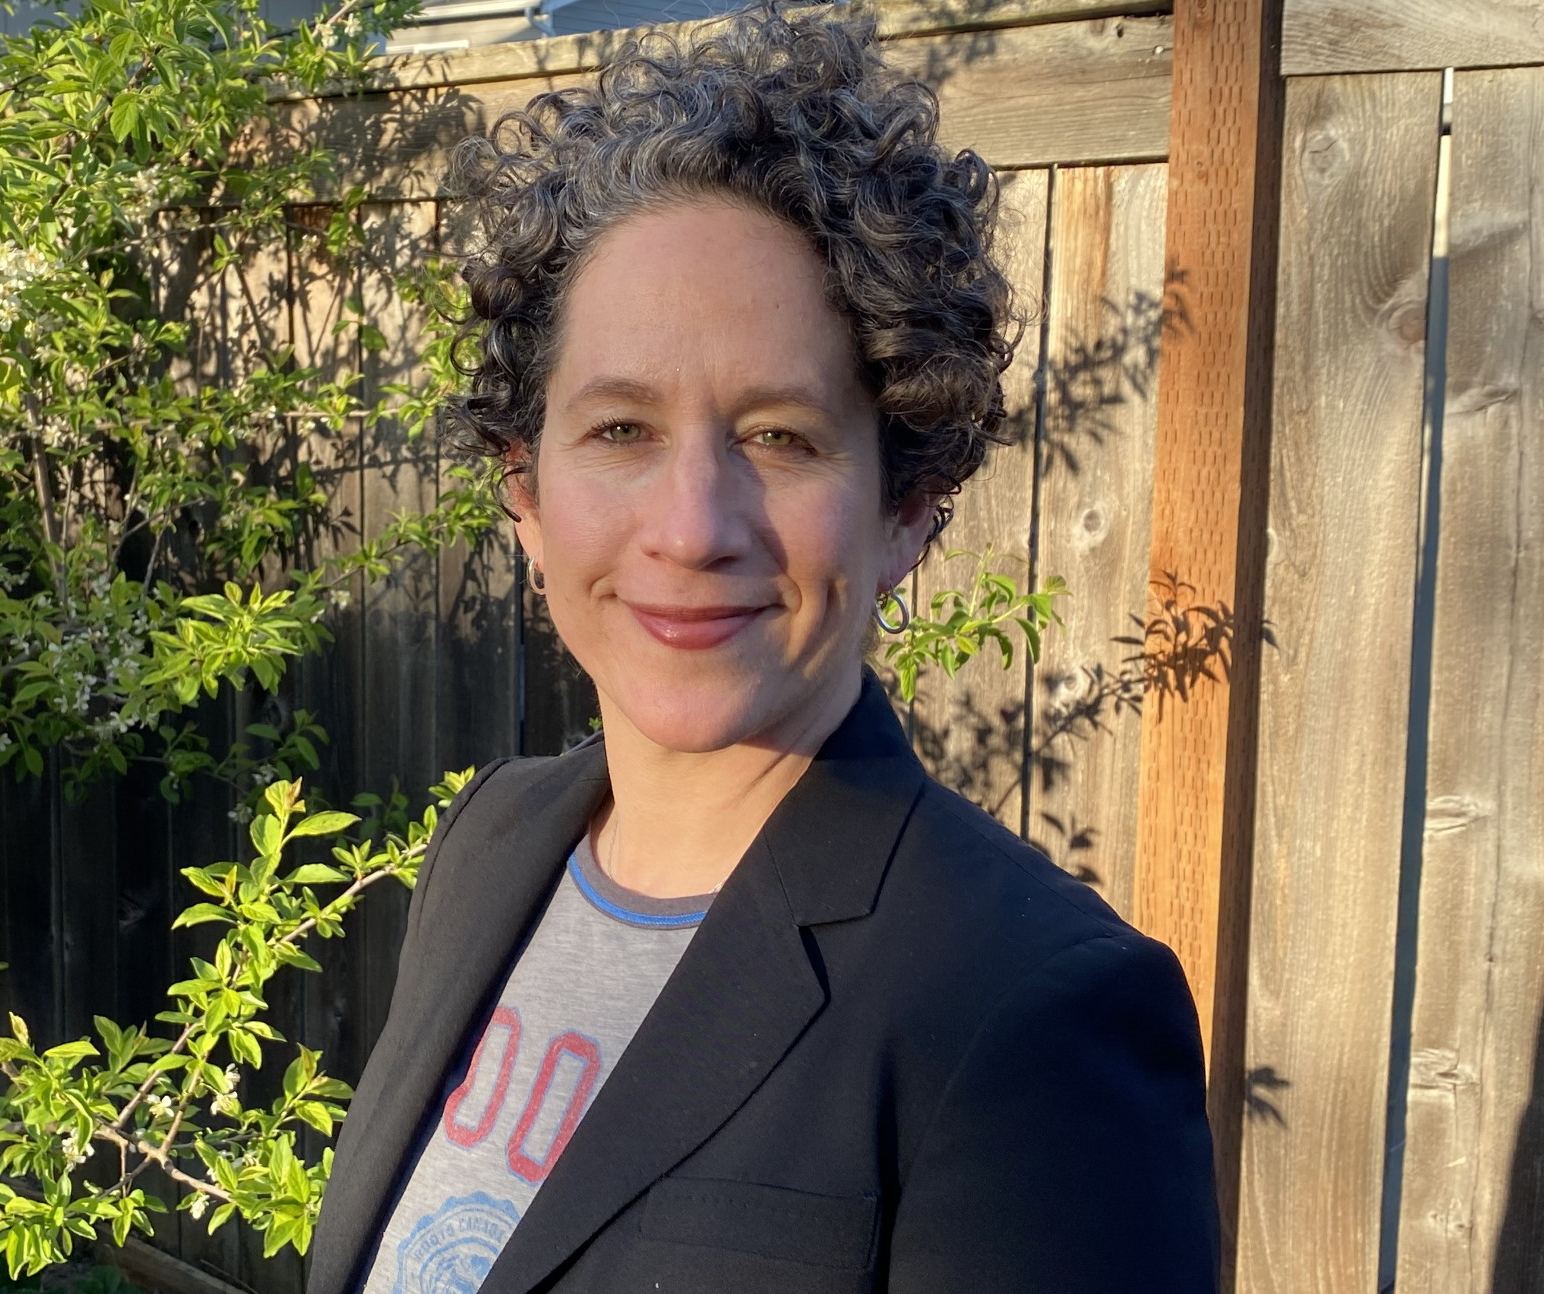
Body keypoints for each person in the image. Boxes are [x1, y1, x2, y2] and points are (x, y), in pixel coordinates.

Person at [306, 6, 1220, 1291]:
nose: (690, 527)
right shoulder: (493, 841)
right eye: (619, 430)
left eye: (781, 436)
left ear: (904, 507)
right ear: (523, 488)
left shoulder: (1025, 1006)